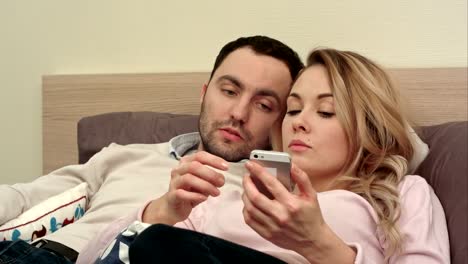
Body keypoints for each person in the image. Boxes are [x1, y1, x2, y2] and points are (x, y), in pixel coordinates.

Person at [80, 48, 450, 264]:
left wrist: (319, 244)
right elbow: (91, 259)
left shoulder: (401, 193)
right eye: (292, 110)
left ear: (368, 127)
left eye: (325, 112)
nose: (299, 124)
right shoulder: (229, 190)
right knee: (155, 243)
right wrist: (161, 211)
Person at [0, 35, 304, 264]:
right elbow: (24, 198)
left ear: (282, 120)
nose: (238, 112)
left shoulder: (273, 201)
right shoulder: (124, 155)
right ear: (204, 93)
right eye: (229, 91)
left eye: (263, 105)